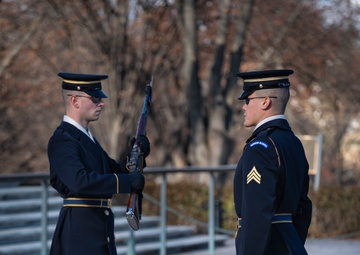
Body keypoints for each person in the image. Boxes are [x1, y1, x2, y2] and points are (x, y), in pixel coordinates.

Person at [48, 72, 150, 255]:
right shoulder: (63, 140)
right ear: (75, 101)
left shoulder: (86, 139)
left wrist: (136, 154)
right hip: (79, 235)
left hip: (99, 233)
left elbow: (113, 170)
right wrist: (126, 182)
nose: (101, 103)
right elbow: (79, 181)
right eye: (95, 98)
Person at [233, 69, 312, 255]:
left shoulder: (260, 147)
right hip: (291, 245)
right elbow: (303, 207)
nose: (244, 107)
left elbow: (256, 214)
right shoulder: (293, 142)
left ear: (265, 102)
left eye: (247, 100)